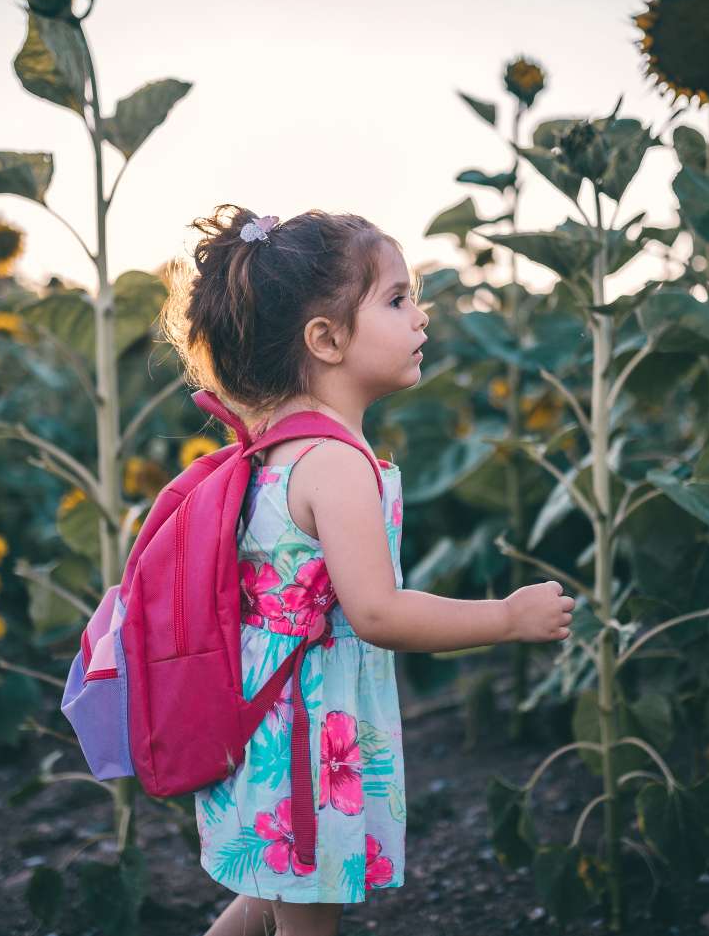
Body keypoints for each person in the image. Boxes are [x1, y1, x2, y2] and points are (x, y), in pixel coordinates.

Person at [156, 204, 575, 936]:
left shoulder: (277, 450)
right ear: (326, 339)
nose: (421, 316)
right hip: (306, 731)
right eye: (396, 298)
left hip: (266, 716)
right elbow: (376, 612)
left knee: (270, 893)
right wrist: (506, 617)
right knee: (303, 914)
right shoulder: (334, 465)